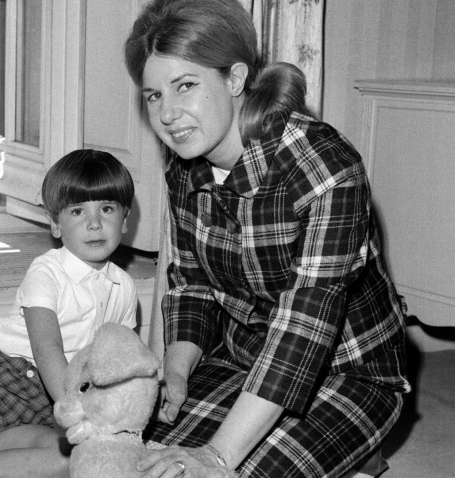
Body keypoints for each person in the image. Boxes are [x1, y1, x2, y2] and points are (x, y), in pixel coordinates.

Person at [123, 1, 411, 477]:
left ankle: (359, 446)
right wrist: (175, 369)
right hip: (241, 359)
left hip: (347, 371)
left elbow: (303, 325)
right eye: (154, 95)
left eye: (185, 85)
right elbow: (192, 282)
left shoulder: (324, 164)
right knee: (130, 459)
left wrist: (217, 456)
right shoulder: (183, 165)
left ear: (235, 78)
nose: (168, 114)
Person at [0, 149, 138, 478]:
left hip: (49, 405)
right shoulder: (46, 272)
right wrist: (77, 409)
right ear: (55, 223)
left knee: (75, 462)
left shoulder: (124, 287)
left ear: (124, 220)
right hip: (3, 382)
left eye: (107, 209)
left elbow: (121, 360)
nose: (95, 223)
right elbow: (47, 348)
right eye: (78, 211)